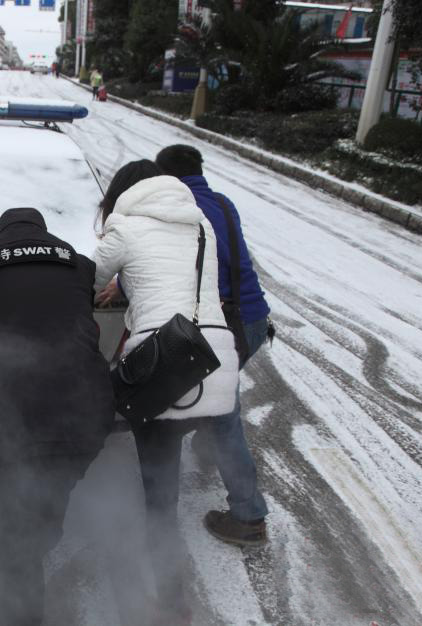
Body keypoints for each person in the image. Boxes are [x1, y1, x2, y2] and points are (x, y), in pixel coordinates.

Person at [93, 160, 266, 621]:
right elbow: (179, 282)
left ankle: (171, 603)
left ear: (122, 193)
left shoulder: (124, 225)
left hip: (166, 369)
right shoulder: (201, 222)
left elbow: (88, 279)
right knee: (186, 443)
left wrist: (113, 285)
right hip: (215, 360)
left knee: (159, 494)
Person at [0, 207, 114, 626]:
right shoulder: (79, 263)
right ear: (43, 231)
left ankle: (18, 598)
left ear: (1, 232)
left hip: (13, 413)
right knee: (47, 496)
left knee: (7, 534)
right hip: (85, 410)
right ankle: (34, 544)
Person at [155, 144, 273, 544]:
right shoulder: (223, 203)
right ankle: (208, 446)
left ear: (164, 177)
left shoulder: (180, 213)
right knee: (216, 402)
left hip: (221, 326)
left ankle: (248, 516)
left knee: (224, 420)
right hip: (254, 320)